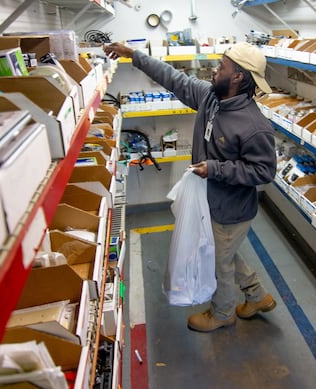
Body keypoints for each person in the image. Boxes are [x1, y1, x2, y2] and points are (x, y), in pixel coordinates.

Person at [104, 41, 278, 332]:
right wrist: (133, 55)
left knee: (217, 262)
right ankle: (257, 296)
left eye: (221, 66)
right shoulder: (211, 98)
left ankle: (223, 314)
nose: (214, 69)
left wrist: (215, 169)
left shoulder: (253, 125)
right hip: (208, 201)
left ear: (237, 77)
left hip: (230, 209)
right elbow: (175, 79)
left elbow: (264, 171)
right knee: (224, 251)